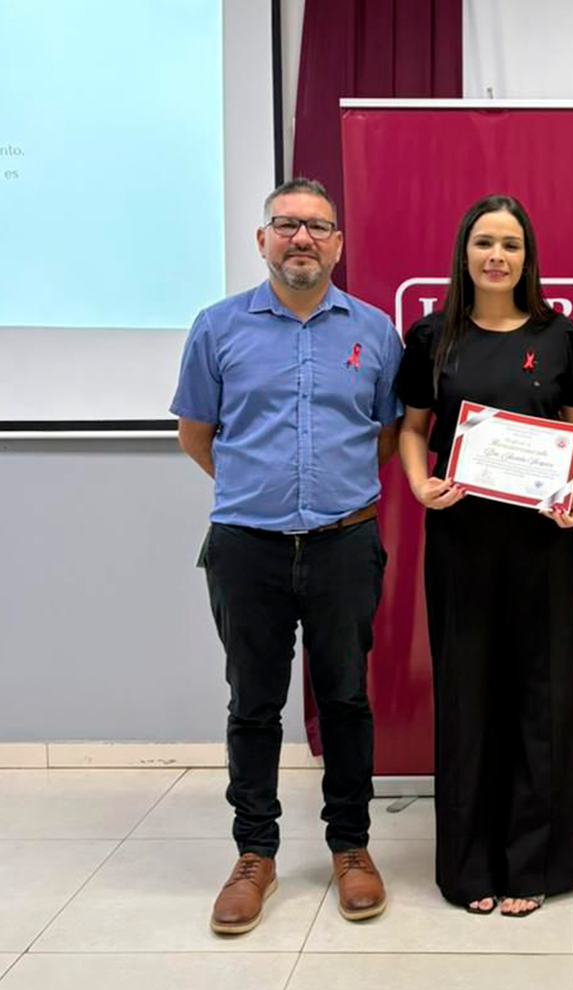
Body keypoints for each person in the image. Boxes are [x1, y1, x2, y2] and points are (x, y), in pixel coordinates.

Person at [170, 177, 402, 933]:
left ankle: (351, 847)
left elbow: (384, 434)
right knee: (254, 703)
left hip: (344, 544)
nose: (302, 238)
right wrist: (259, 490)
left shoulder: (375, 331)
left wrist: (328, 491)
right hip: (247, 547)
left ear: (338, 244)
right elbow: (197, 434)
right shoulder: (217, 328)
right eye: (286, 224)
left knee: (345, 700)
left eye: (318, 227)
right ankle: (255, 854)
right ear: (262, 239)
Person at [395, 194, 573, 916]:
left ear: (527, 256)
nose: (497, 256)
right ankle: (469, 865)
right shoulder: (431, 337)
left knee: (542, 694)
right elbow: (413, 429)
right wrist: (419, 484)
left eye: (510, 244)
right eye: (484, 243)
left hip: (542, 540)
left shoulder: (559, 335)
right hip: (462, 538)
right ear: (464, 253)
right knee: (468, 693)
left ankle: (534, 862)